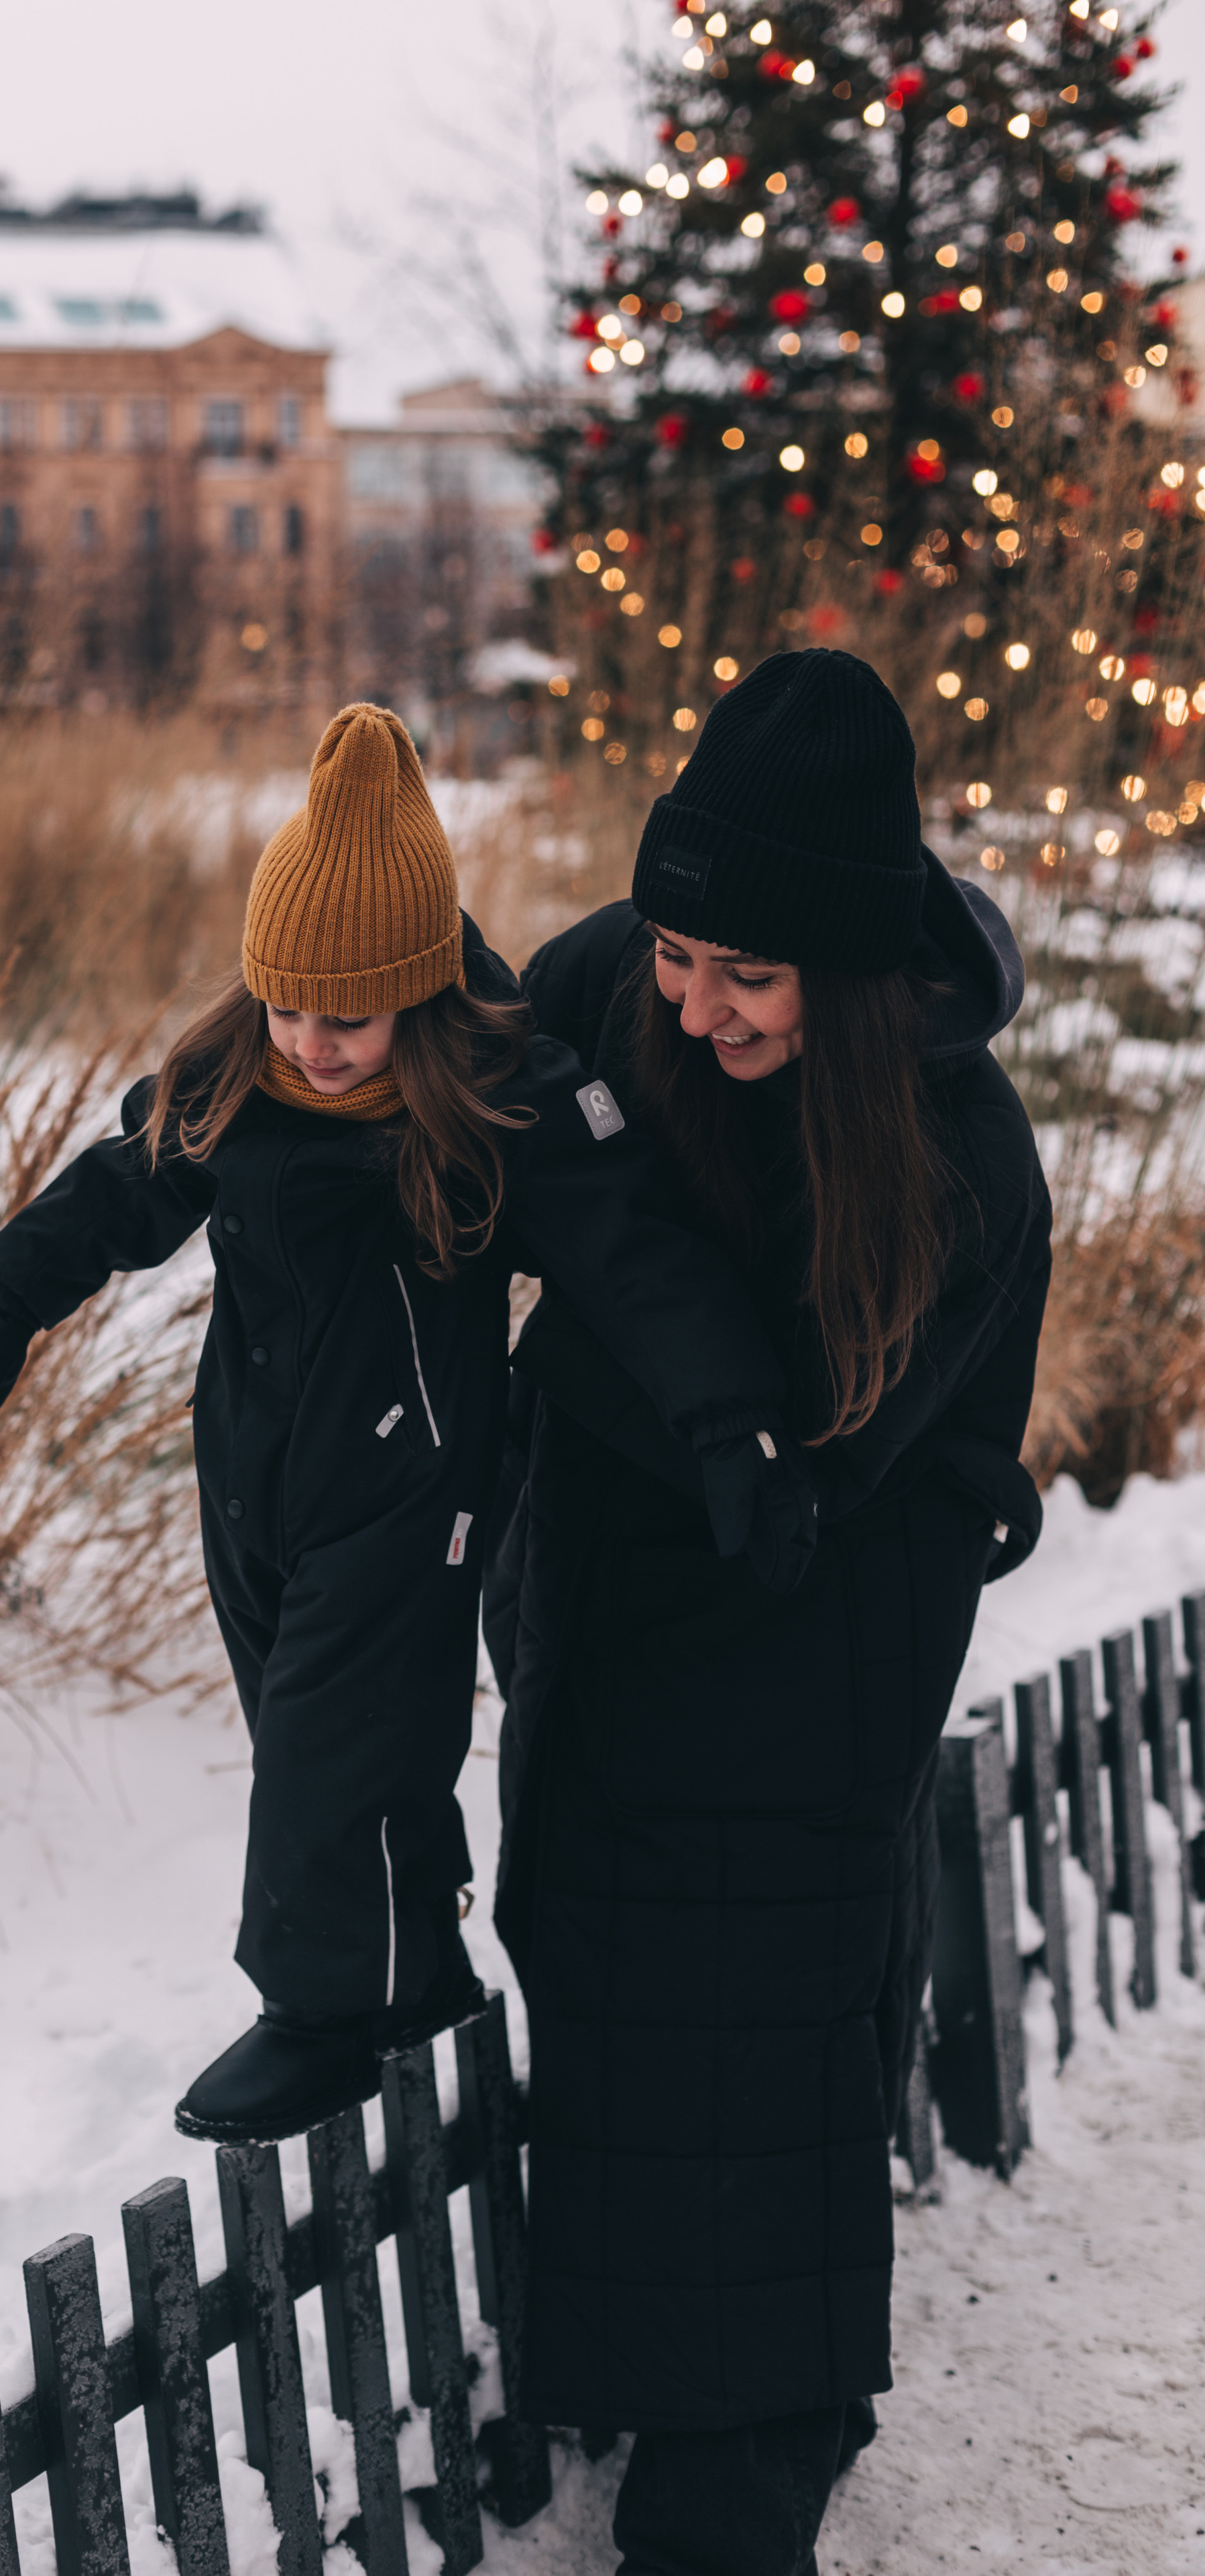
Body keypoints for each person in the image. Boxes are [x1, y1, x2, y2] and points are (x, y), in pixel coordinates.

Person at [0, 701, 815, 2146]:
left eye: (347, 1016)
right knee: (312, 1737)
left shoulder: (499, 1099)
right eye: (287, 1007)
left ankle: (322, 2012)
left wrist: (731, 1426)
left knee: (336, 1750)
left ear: (414, 989)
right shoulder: (237, 1078)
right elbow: (117, 1189)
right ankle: (417, 1970)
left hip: (412, 1490)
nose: (314, 1047)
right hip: (251, 1477)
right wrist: (0, 1305)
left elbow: (641, 1264)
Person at [487, 649, 1051, 2576]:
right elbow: (477, 1069)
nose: (693, 1003)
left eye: (748, 977)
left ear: (850, 973)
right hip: (620, 1603)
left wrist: (595, 1291)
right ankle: (681, 2379)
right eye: (676, 954)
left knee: (760, 2010)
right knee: (612, 1975)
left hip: (819, 1624)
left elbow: (816, 1440)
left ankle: (755, 2445)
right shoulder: (629, 979)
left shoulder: (957, 1160)